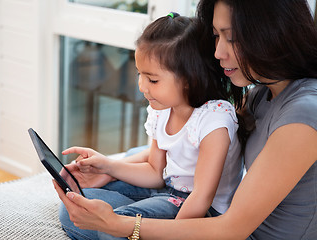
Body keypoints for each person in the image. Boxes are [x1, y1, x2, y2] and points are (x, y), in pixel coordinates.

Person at [54, 0, 317, 239]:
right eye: (216, 37)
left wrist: (117, 224)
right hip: (201, 209)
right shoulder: (262, 92)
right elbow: (183, 153)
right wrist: (108, 167)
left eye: (232, 38)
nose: (217, 53)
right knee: (77, 208)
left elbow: (231, 229)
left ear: (274, 32)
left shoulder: (303, 114)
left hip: (232, 232)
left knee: (102, 228)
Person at [57, 12, 244, 240]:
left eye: (152, 80)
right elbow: (156, 172)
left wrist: (161, 231)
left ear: (189, 79)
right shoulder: (162, 109)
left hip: (200, 211)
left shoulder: (213, 120)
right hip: (168, 190)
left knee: (113, 227)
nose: (142, 87)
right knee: (77, 207)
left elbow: (201, 198)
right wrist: (107, 167)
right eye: (140, 74)